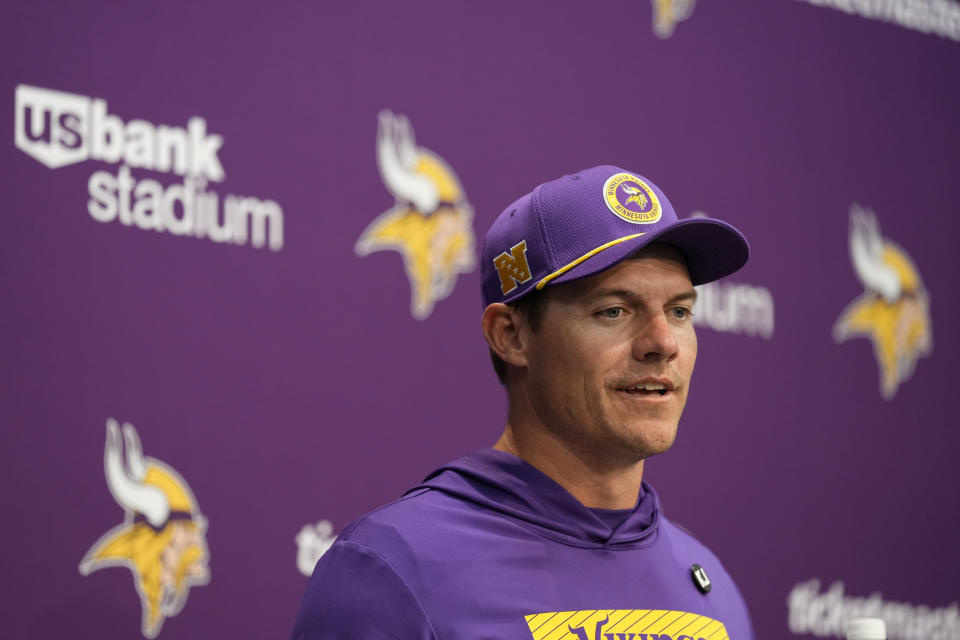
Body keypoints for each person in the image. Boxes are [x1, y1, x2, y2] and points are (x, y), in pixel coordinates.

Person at [292, 165, 754, 639]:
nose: (662, 342)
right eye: (613, 310)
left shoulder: (713, 589)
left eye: (679, 311)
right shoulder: (392, 570)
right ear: (509, 336)